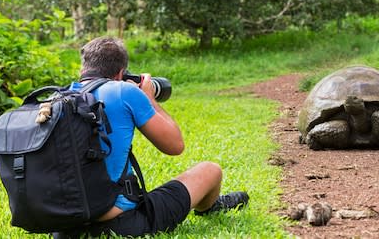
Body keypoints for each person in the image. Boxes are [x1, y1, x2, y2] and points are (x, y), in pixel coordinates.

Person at [55, 36, 249, 238]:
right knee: (211, 170)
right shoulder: (124, 91)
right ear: (121, 73)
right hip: (119, 223)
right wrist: (149, 99)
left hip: (64, 225)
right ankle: (209, 206)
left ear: (82, 70)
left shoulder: (59, 98)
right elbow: (175, 145)